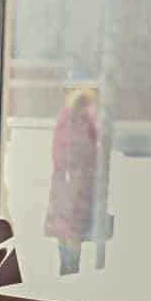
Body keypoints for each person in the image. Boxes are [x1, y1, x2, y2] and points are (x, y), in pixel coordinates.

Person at [44, 88, 99, 275]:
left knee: (70, 230)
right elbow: (76, 152)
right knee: (70, 230)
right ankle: (69, 268)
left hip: (74, 185)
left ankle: (69, 268)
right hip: (72, 184)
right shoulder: (73, 122)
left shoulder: (81, 121)